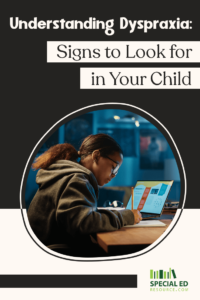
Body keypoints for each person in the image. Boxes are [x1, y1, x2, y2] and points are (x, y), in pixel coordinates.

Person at [28, 133, 142, 257]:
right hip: (60, 251)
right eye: (114, 167)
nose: (114, 174)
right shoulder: (77, 179)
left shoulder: (68, 175)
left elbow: (77, 216)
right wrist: (125, 217)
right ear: (96, 156)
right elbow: (82, 223)